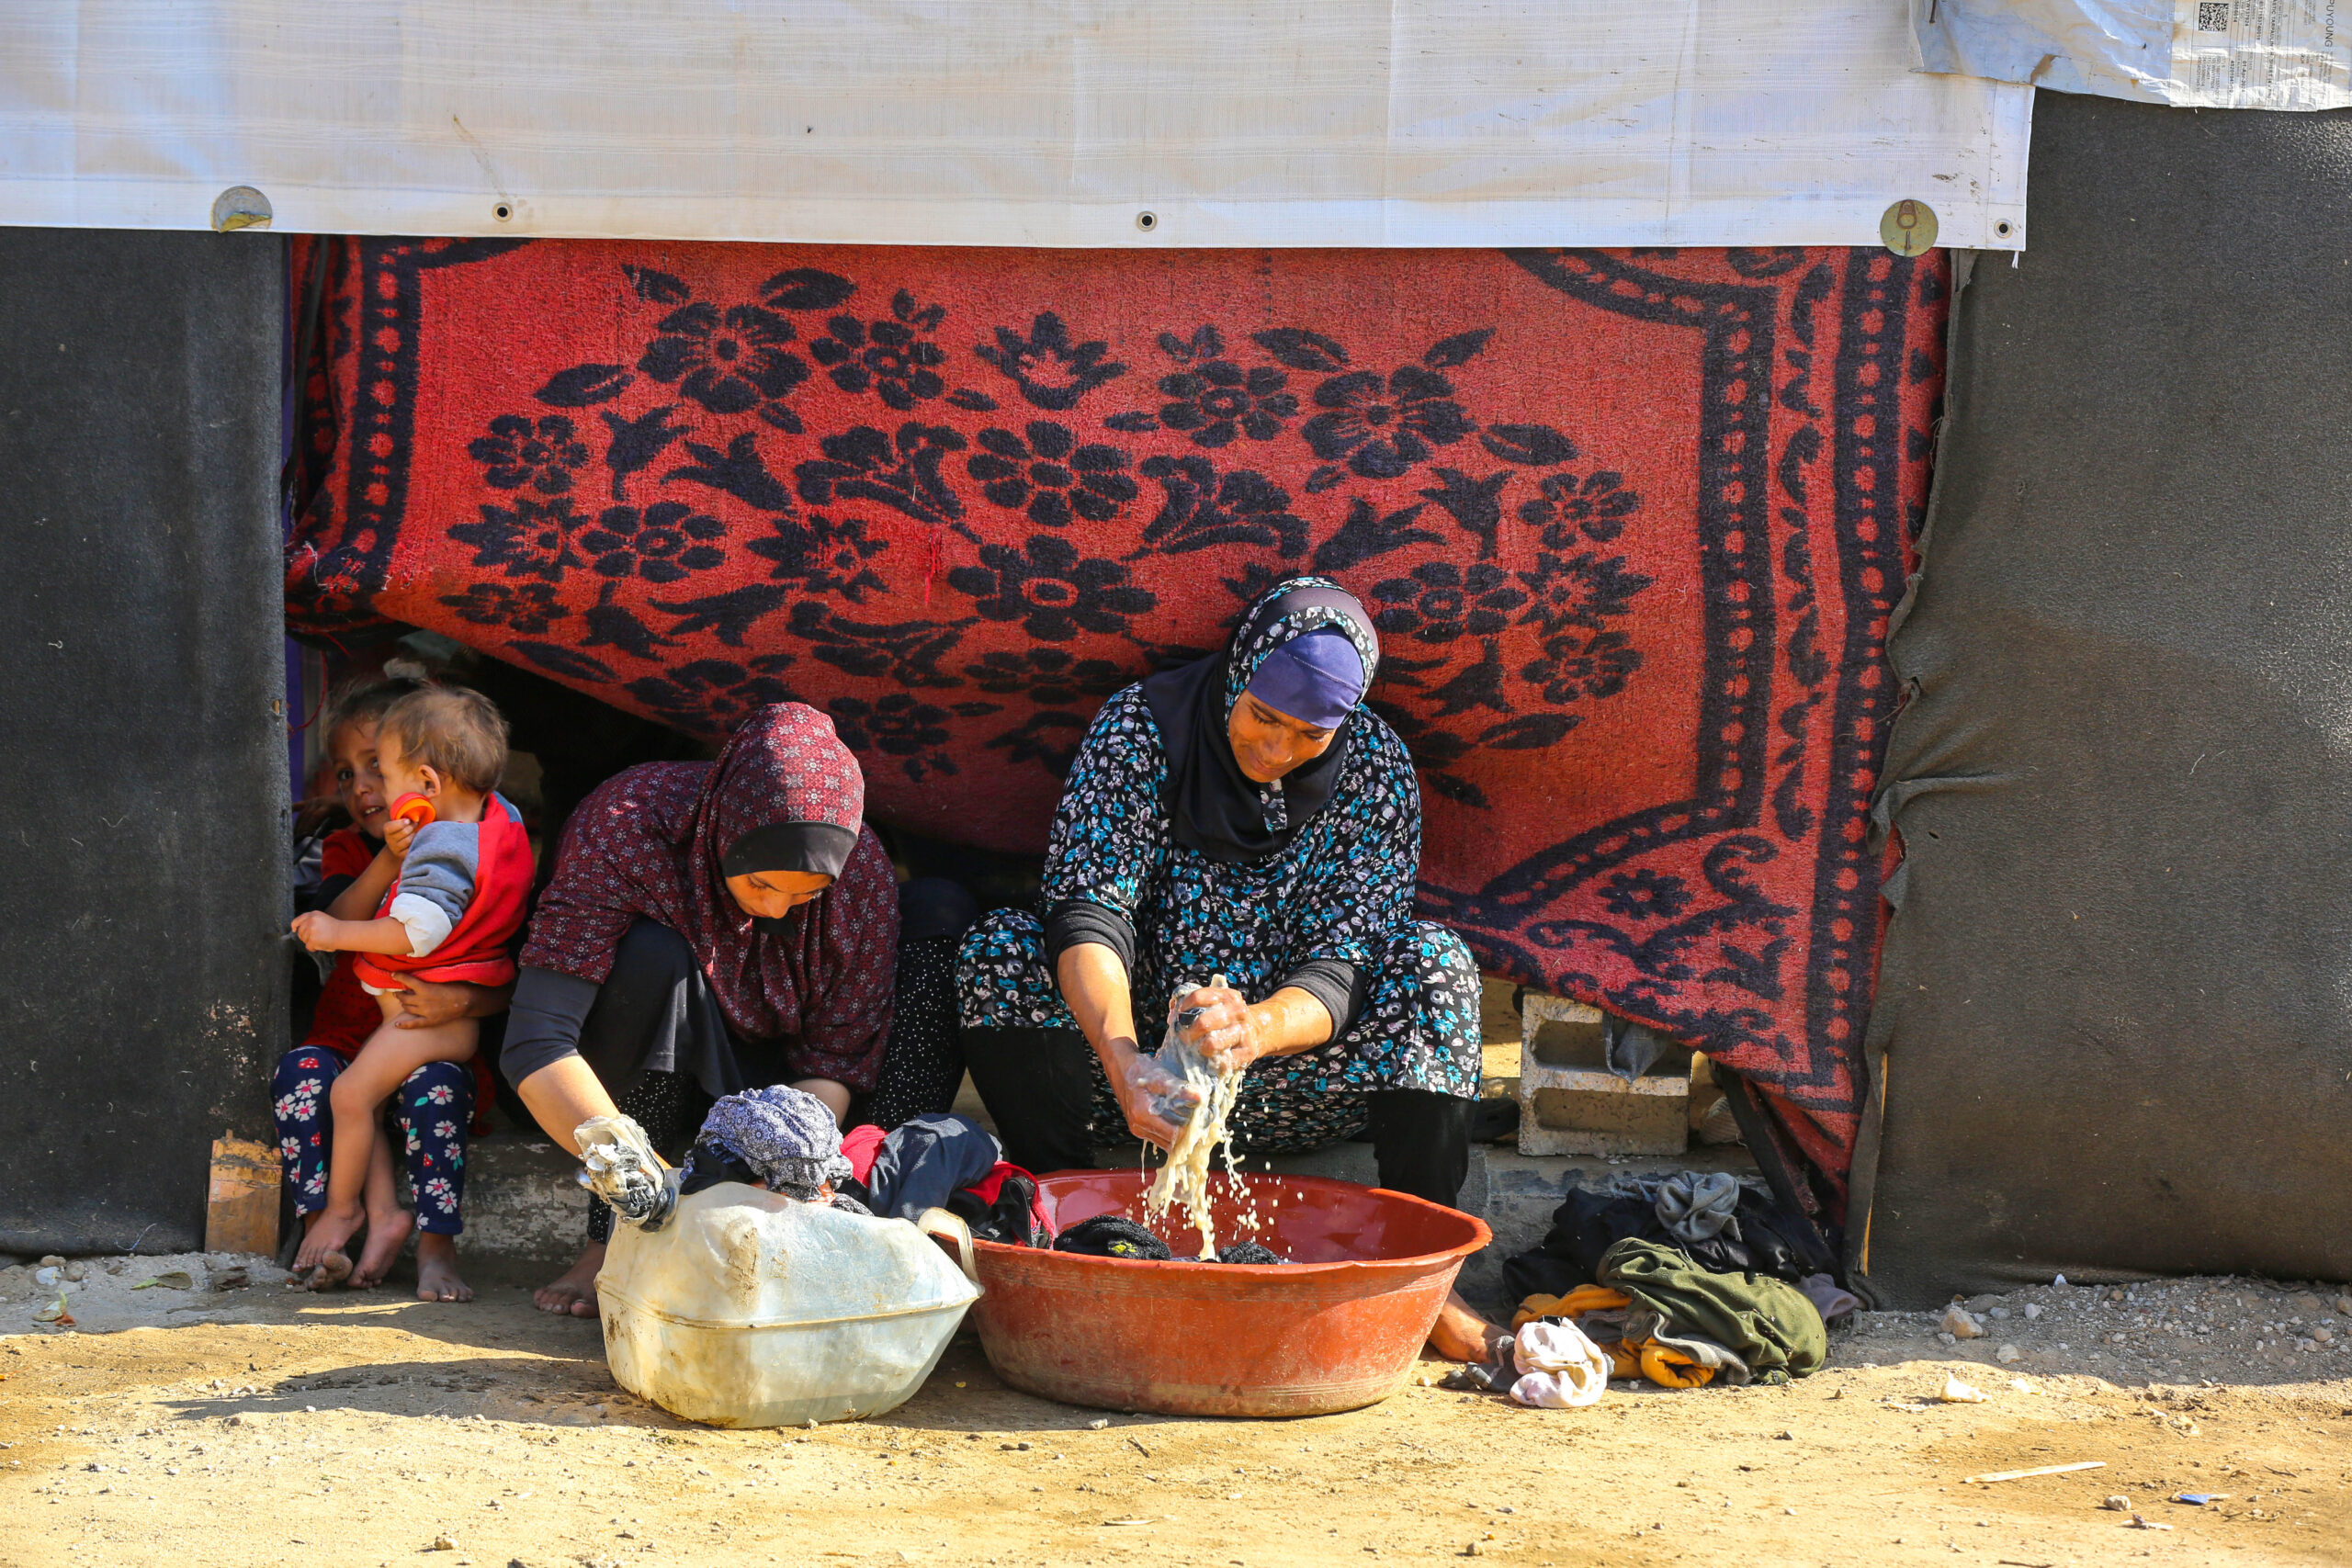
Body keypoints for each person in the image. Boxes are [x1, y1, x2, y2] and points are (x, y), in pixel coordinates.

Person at [956, 574, 1506, 1359]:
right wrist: (1121, 1057)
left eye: (1309, 735)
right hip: (1142, 1089)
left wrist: (1257, 1028)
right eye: (1262, 717)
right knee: (998, 949)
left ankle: (1427, 1279)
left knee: (1436, 968)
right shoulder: (1143, 729)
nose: (1274, 751)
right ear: (1238, 675)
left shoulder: (1375, 767)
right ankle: (1073, 1233)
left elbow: (1342, 965)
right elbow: (1088, 910)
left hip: (1296, 1081)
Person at [499, 702, 969, 1316]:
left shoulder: (861, 877)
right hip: (658, 1066)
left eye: (806, 894)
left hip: (788, 1080)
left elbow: (833, 1055)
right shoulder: (629, 824)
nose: (777, 911)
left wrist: (787, 1167)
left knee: (941, 915)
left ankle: (866, 1225)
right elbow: (538, 1041)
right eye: (763, 886)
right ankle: (610, 1239)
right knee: (651, 956)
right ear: (724, 832)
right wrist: (639, 1179)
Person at [273, 677, 513, 1299]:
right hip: (352, 1026)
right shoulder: (352, 845)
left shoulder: (455, 847)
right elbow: (341, 915)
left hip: (423, 1019)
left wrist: (460, 1002)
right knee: (313, 1076)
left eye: (377, 766)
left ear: (427, 777)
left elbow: (468, 951)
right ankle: (332, 1227)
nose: (362, 788)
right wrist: (387, 856)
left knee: (427, 1088)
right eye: (346, 775)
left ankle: (435, 1249)